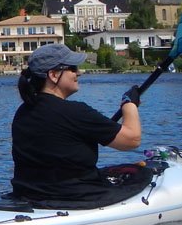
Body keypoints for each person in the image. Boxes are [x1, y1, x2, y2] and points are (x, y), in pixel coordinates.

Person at [11, 43, 147, 208]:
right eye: (73, 68)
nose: (79, 72)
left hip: (28, 195)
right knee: (143, 174)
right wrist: (129, 104)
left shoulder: (22, 112)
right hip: (75, 198)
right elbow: (132, 140)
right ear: (53, 75)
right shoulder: (76, 112)